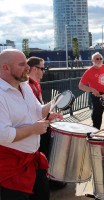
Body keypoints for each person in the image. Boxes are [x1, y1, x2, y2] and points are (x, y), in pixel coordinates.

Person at [0, 49, 62, 200]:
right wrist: (33, 129)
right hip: (11, 168)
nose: (28, 68)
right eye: (22, 64)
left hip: (33, 160)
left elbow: (37, 111)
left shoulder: (25, 86)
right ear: (5, 67)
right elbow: (3, 135)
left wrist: (52, 107)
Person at [27, 56, 66, 190]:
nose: (44, 72)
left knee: (47, 152)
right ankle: (47, 182)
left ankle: (50, 180)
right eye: (42, 68)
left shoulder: (35, 84)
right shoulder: (28, 86)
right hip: (35, 129)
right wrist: (54, 102)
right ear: (34, 69)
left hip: (40, 126)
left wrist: (51, 116)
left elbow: (38, 109)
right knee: (44, 154)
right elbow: (32, 112)